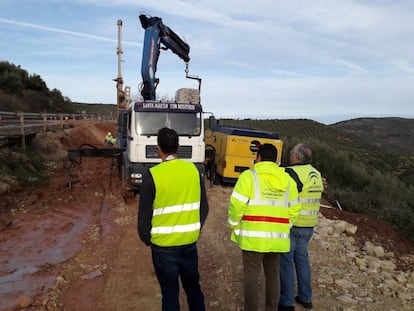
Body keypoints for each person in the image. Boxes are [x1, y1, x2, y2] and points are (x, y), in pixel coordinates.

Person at [138, 127, 209, 311]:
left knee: (170, 295)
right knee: (194, 290)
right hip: (189, 244)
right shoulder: (193, 170)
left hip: (163, 248)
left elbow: (143, 220)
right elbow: (205, 208)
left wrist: (149, 240)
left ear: (158, 148)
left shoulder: (152, 175)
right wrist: (194, 229)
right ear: (177, 147)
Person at [228, 143, 301, 311]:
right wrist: (284, 226)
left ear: (258, 157)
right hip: (277, 239)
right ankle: (271, 308)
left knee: (251, 276)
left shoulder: (249, 176)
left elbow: (236, 205)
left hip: (252, 239)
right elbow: (295, 207)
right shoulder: (288, 180)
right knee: (273, 275)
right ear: (276, 159)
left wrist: (233, 224)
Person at [279, 143, 324, 311]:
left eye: (291, 153)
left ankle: (287, 302)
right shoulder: (316, 174)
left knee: (286, 263)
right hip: (309, 225)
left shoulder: (291, 172)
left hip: (293, 224)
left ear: (296, 156)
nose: (290, 155)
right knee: (302, 260)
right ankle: (306, 298)